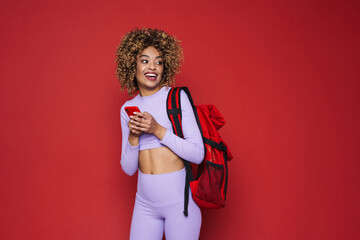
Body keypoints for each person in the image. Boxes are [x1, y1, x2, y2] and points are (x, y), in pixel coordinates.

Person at [115, 28, 204, 240]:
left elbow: (197, 154)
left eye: (159, 61)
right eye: (144, 60)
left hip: (179, 204)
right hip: (144, 204)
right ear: (132, 65)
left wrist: (157, 130)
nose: (152, 67)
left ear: (166, 67)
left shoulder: (176, 98)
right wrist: (134, 137)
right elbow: (128, 169)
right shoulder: (128, 108)